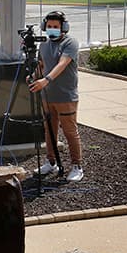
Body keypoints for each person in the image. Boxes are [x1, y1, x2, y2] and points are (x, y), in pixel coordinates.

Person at [28, 11, 84, 182]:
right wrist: (34, 76)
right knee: (49, 130)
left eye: (56, 27)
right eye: (49, 26)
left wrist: (46, 80)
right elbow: (42, 64)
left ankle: (77, 166)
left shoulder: (70, 42)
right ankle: (50, 162)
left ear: (63, 28)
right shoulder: (44, 45)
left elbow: (62, 63)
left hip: (66, 96)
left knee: (69, 131)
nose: (52, 29)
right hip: (47, 96)